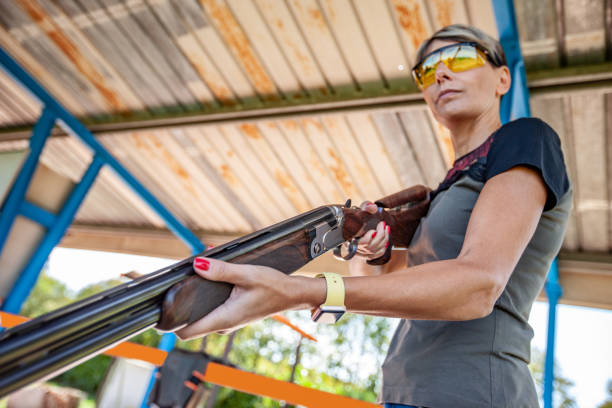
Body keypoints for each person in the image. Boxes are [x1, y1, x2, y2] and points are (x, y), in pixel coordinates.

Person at [176, 25, 572, 408]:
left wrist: (300, 291)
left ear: (503, 78)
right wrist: (376, 255)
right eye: (427, 70)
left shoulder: (525, 138)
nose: (442, 73)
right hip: (402, 392)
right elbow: (393, 289)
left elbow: (477, 284)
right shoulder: (445, 190)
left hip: (475, 393)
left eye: (459, 56)